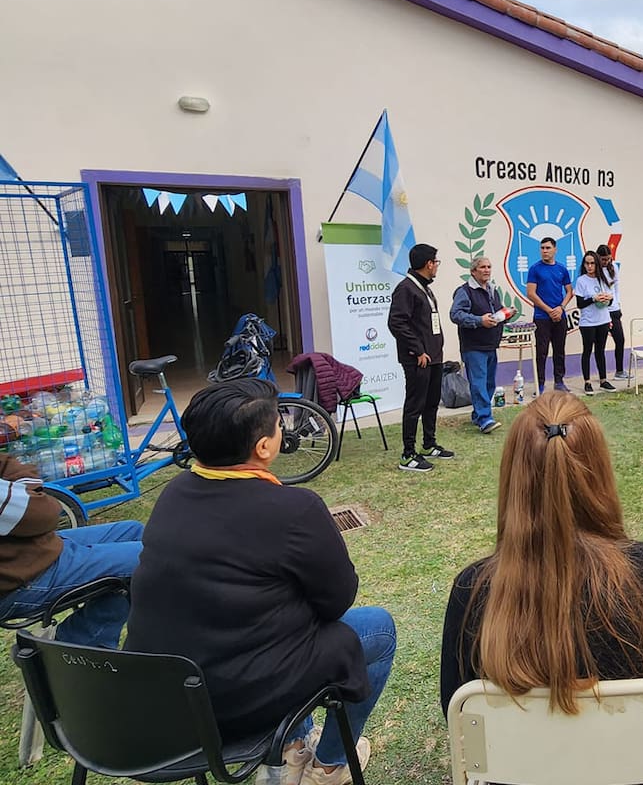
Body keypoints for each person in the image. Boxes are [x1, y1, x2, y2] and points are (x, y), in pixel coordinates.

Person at [125, 379, 395, 785]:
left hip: (168, 697)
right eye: (278, 423)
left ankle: (290, 750)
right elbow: (337, 600)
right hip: (232, 702)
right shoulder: (295, 508)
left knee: (280, 625)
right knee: (376, 628)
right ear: (264, 447)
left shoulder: (173, 493)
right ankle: (329, 766)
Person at [439, 390, 643, 716]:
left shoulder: (472, 589)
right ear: (598, 468)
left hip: (516, 767)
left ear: (515, 475)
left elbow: (455, 705)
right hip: (627, 765)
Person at [0, 454, 142, 648]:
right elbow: (45, 511)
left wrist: (25, 487)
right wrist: (28, 490)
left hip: (28, 547)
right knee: (147, 559)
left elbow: (8, 463)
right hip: (17, 579)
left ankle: (75, 641)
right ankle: (73, 649)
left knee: (134, 531)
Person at [389, 243, 455, 473]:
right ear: (428, 264)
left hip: (434, 357)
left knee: (431, 402)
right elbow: (396, 322)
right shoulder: (406, 289)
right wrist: (418, 350)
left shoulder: (424, 288)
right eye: (436, 262)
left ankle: (429, 443)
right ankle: (408, 454)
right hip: (418, 358)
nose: (437, 266)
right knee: (414, 404)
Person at [450, 257, 507, 434]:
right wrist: (478, 321)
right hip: (474, 346)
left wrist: (505, 313)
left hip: (490, 344)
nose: (487, 270)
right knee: (479, 383)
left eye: (489, 267)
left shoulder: (492, 290)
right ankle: (485, 419)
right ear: (473, 271)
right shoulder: (465, 291)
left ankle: (478, 415)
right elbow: (456, 314)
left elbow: (494, 312)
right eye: (482, 267)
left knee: (489, 383)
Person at [526, 237, 574, 395]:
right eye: (542, 248)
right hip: (542, 317)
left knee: (559, 350)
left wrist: (560, 308)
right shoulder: (535, 269)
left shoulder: (562, 269)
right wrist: (549, 310)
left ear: (555, 249)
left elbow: (569, 292)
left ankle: (559, 382)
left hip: (559, 316)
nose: (544, 251)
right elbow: (531, 293)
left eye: (548, 248)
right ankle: (540, 384)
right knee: (542, 351)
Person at [574, 250, 616, 395]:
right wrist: (593, 299)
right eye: (587, 263)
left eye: (592, 263)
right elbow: (579, 303)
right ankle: (587, 382)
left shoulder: (602, 279)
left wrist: (607, 298)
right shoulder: (581, 281)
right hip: (588, 322)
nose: (590, 266)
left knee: (600, 351)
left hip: (603, 320)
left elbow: (611, 301)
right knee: (587, 351)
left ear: (597, 264)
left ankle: (603, 380)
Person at [597, 244, 629, 379]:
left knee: (620, 340)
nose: (606, 262)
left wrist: (617, 304)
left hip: (613, 309)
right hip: (600, 310)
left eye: (608, 259)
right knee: (600, 344)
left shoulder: (613, 267)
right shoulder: (594, 270)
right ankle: (602, 375)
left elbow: (616, 289)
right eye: (603, 259)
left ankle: (619, 370)